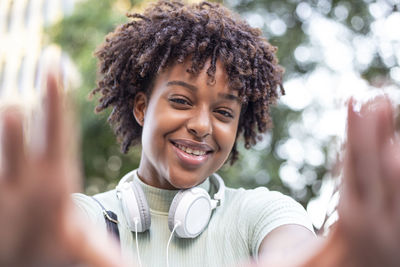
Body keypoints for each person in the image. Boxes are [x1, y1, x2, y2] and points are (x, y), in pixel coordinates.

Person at [0, 1, 399, 267]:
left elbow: (293, 251)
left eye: (224, 111)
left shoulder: (263, 212)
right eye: (181, 100)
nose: (203, 125)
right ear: (141, 107)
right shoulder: (82, 214)